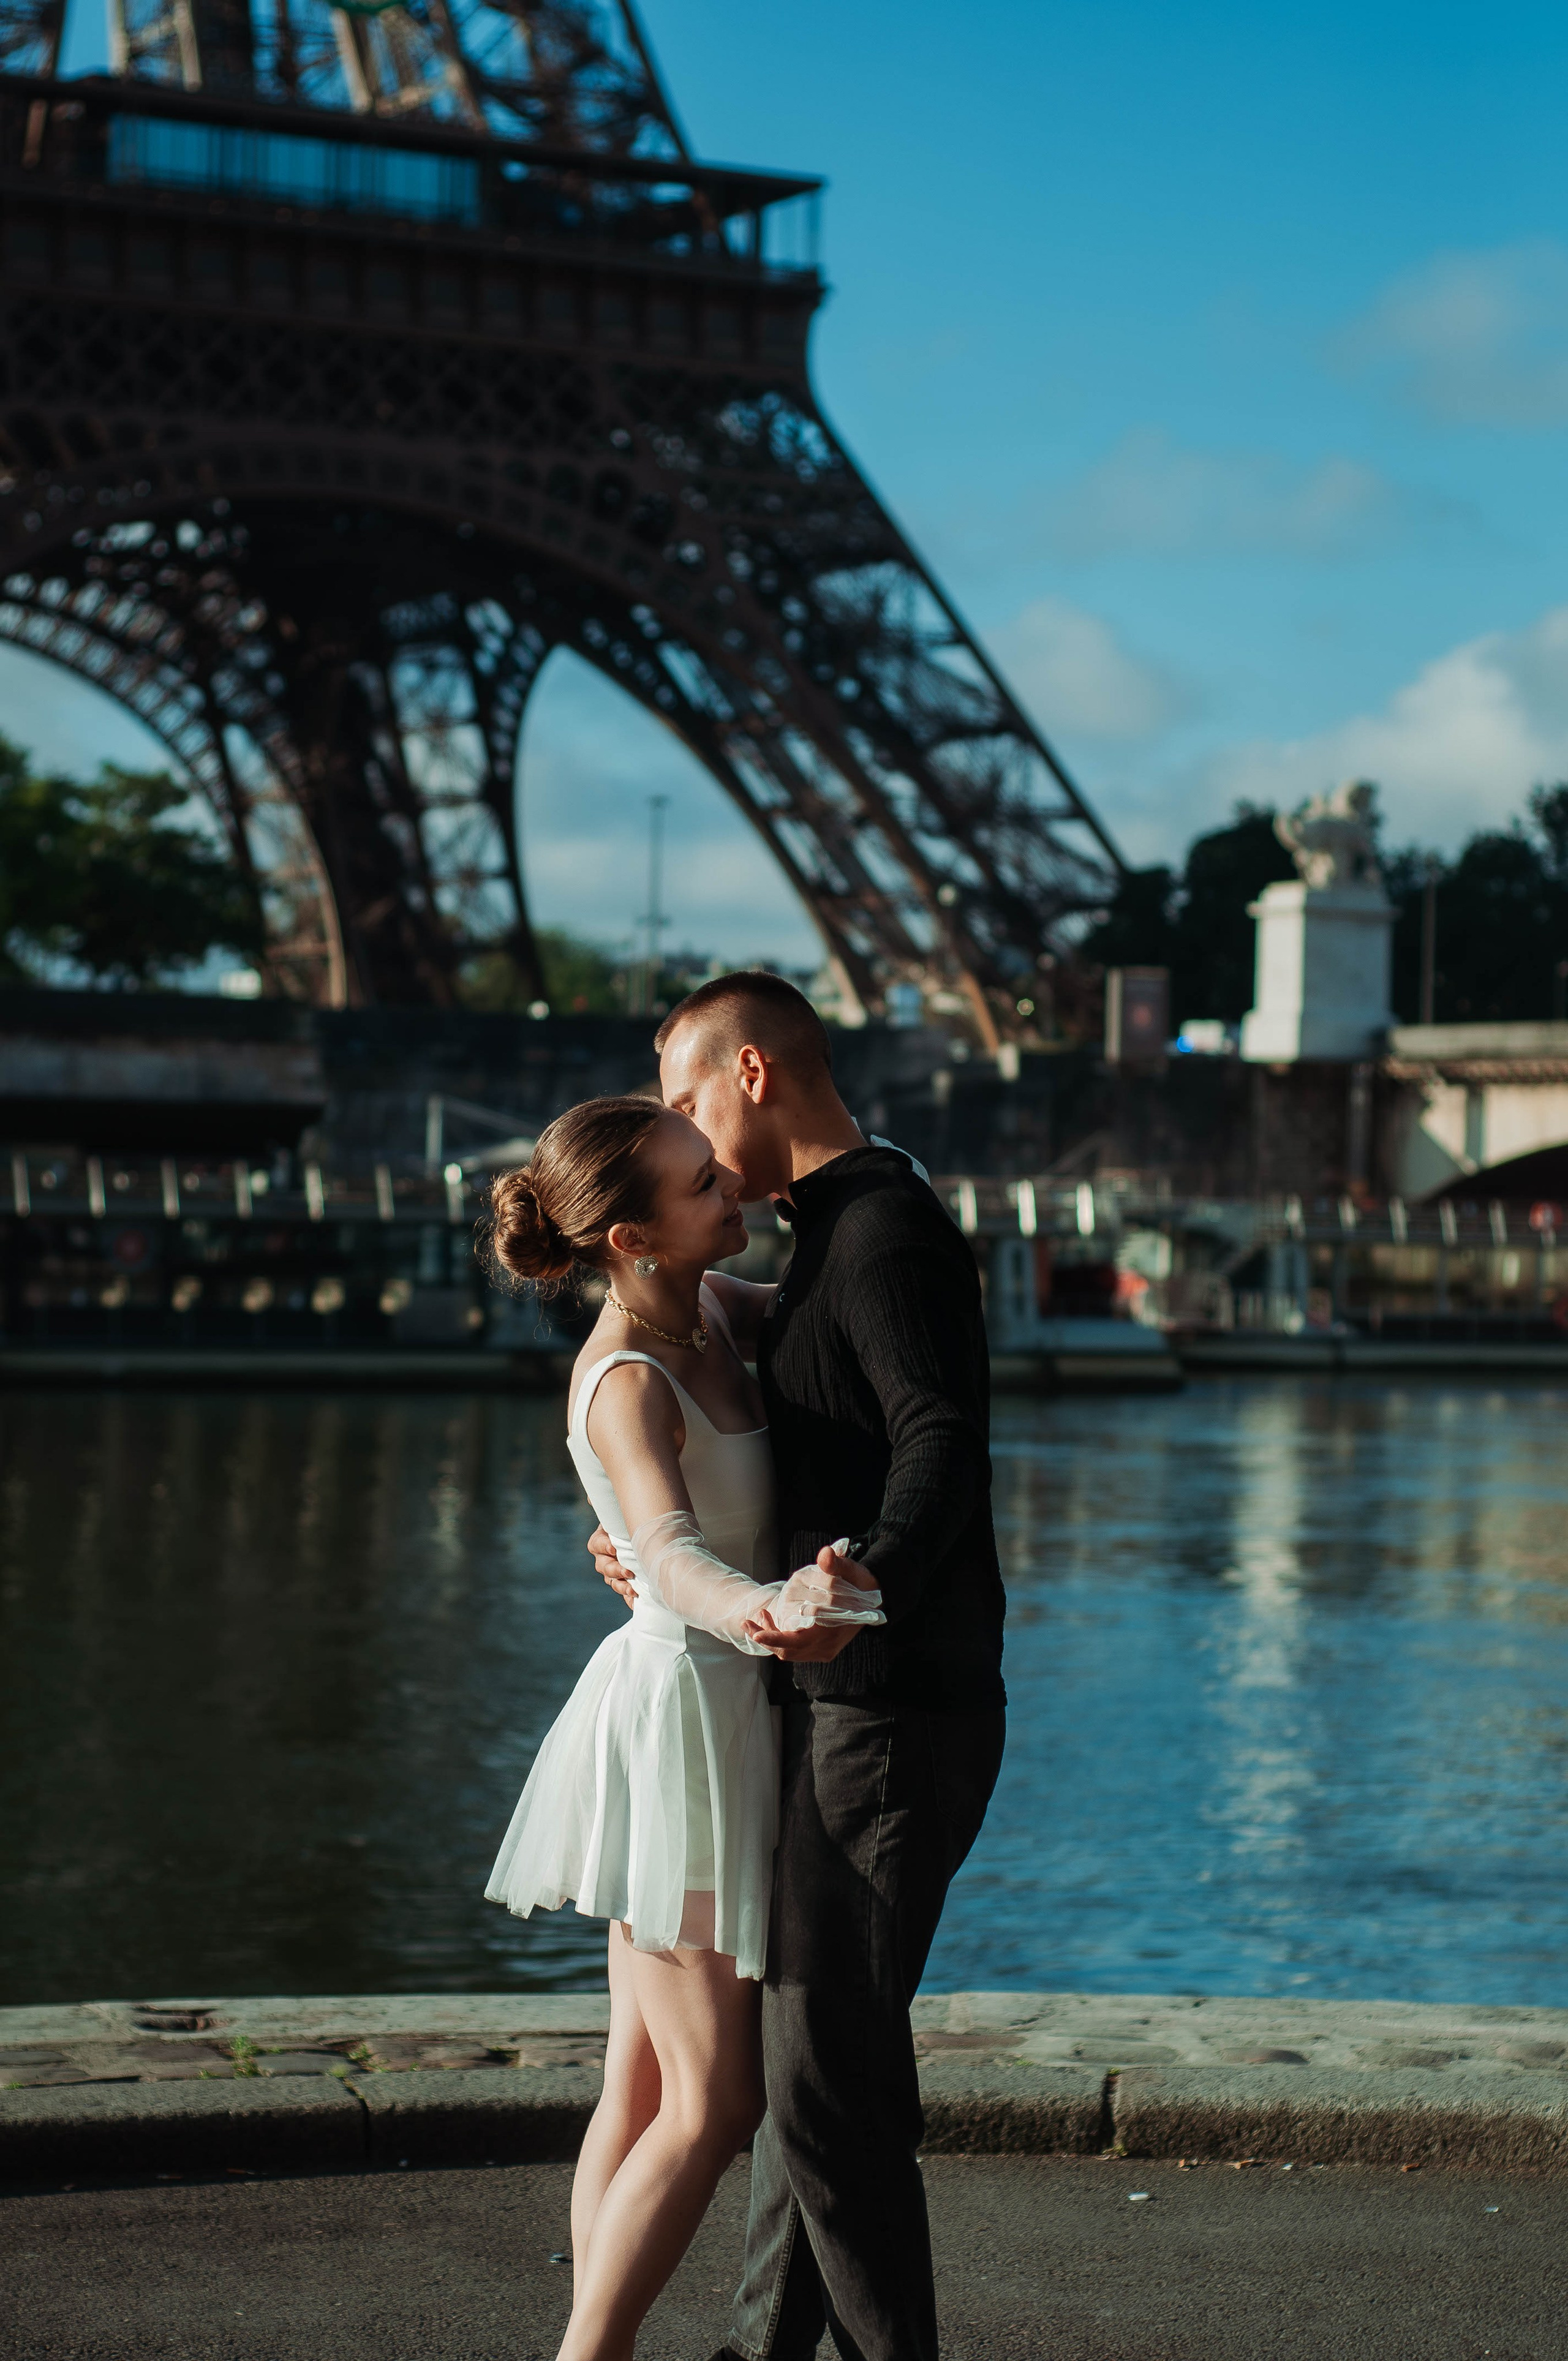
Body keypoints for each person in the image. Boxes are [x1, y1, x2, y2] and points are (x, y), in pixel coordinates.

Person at [588, 973, 1007, 2361]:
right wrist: (658, 1551)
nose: (685, 1131)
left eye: (690, 1096)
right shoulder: (831, 1231)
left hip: (886, 1705)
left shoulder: (876, 1232)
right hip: (842, 1695)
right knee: (809, 2072)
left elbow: (936, 1434)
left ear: (752, 1073)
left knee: (823, 2084)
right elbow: (682, 1365)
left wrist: (857, 1580)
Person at [481, 1093, 882, 2361]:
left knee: (642, 2084)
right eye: (702, 1183)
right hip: (680, 1725)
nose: (733, 1190)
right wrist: (771, 1604)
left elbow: (833, 1320)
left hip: (712, 1703)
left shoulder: (713, 1307)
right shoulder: (624, 1380)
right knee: (715, 2101)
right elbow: (666, 1553)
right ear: (629, 1238)